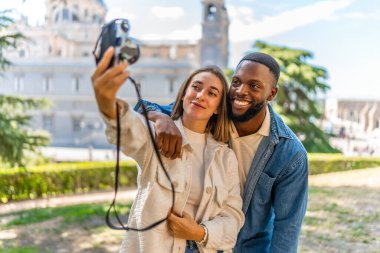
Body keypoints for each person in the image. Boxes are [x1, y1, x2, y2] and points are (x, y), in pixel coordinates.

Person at [135, 52, 308, 253]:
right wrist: (159, 118)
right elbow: (144, 107)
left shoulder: (291, 154)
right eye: (236, 82)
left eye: (254, 86)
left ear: (272, 94)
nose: (241, 91)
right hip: (199, 243)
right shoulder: (214, 112)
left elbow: (287, 230)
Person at [91, 46, 244, 253]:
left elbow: (232, 219)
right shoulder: (157, 134)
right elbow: (129, 127)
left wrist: (199, 232)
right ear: (183, 94)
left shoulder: (226, 157)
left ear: (218, 107)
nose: (200, 95)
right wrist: (106, 102)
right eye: (196, 87)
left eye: (212, 93)